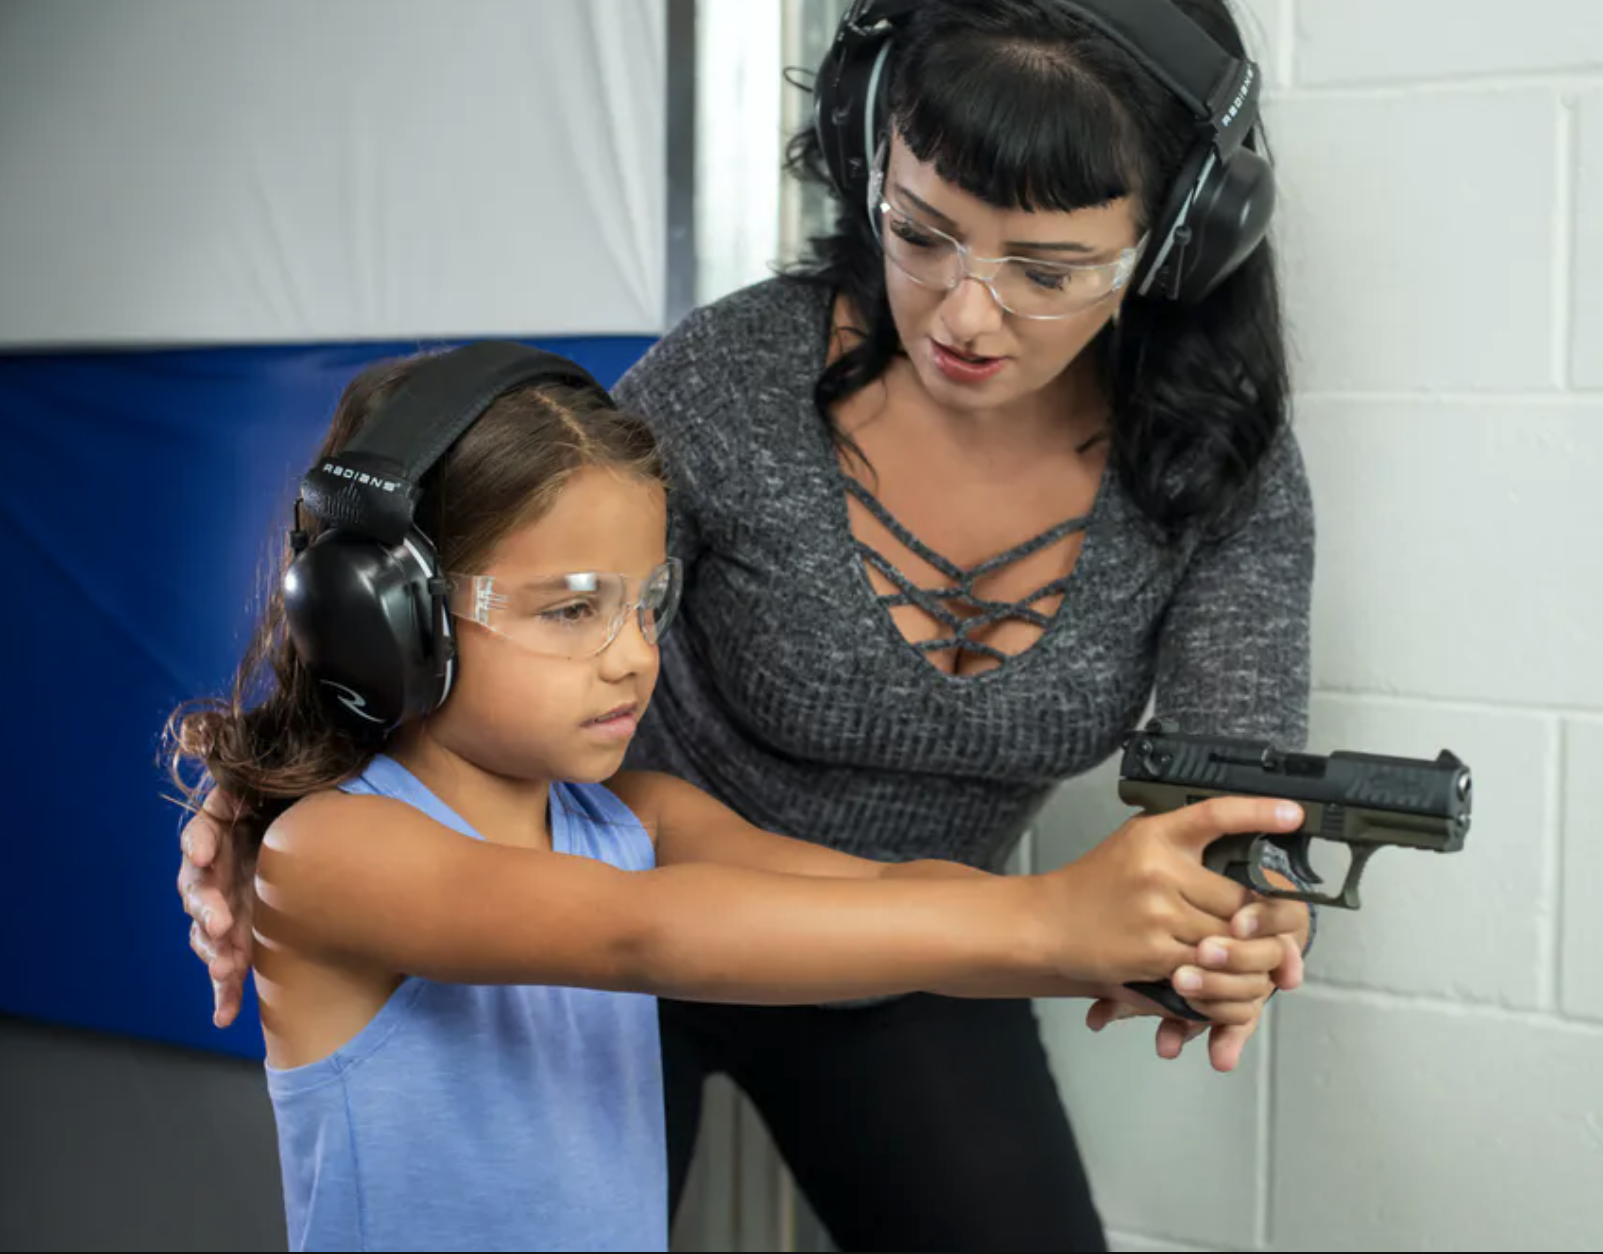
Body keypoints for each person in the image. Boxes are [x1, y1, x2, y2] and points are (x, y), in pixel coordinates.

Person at [179, 1, 1319, 1249]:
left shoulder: (1219, 463)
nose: (963, 315)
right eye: (920, 235)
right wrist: (280, 778)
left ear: (1168, 246)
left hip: (910, 928)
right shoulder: (725, 390)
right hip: (597, 909)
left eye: (1043, 272)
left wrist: (1201, 927)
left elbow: (1215, 810)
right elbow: (509, 591)